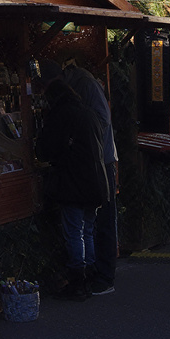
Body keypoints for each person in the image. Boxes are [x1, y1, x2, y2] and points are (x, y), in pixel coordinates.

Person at [37, 60, 118, 295]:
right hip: (95, 171)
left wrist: (79, 144)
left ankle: (85, 279)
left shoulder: (74, 101)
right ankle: (94, 276)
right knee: (88, 229)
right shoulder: (83, 106)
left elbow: (46, 149)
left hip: (85, 172)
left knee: (77, 230)